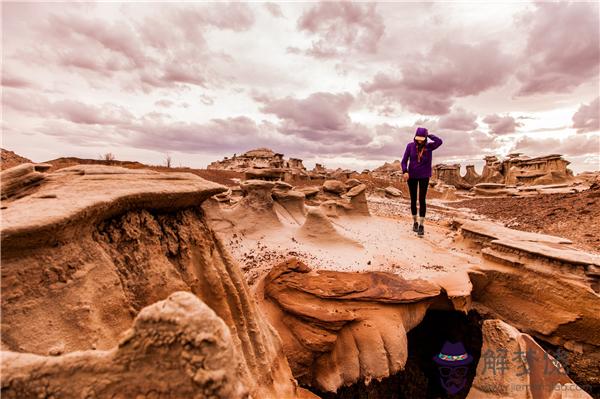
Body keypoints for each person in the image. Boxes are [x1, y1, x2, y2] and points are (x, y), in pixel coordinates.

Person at [401, 127, 443, 236]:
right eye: (418, 138)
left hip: (424, 176)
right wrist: (405, 171)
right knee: (413, 199)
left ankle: (421, 225)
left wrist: (428, 135)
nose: (419, 140)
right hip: (412, 176)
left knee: (422, 200)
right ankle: (414, 222)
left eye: (422, 138)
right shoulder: (410, 146)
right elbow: (404, 161)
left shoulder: (429, 146)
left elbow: (439, 142)